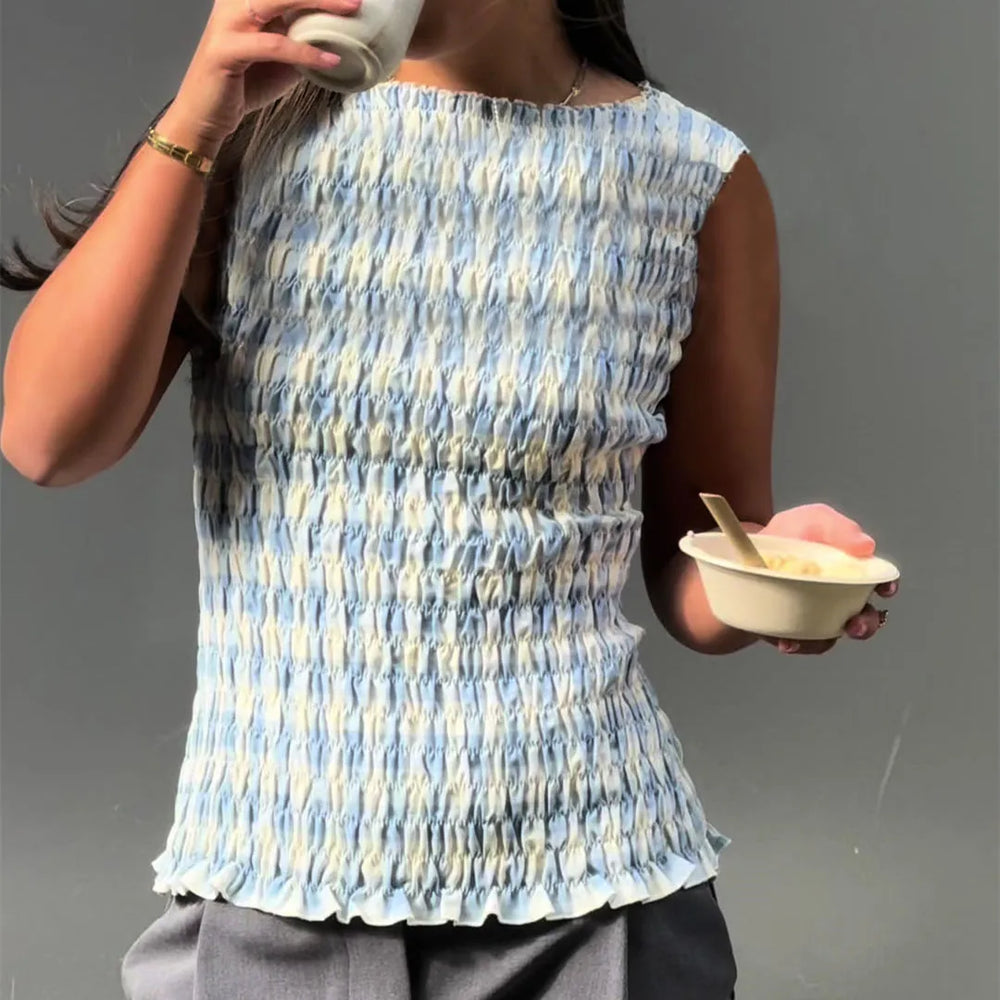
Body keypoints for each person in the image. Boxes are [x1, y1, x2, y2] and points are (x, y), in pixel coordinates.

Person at [0, 0, 899, 996]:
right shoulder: (248, 137)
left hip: (594, 908)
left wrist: (773, 572)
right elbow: (47, 440)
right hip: (270, 883)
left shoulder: (695, 179)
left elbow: (698, 555)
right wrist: (199, 115)